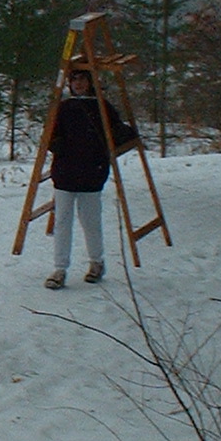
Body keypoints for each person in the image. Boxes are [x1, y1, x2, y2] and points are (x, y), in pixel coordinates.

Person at [45, 61, 136, 289]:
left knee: (90, 221)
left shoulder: (102, 107)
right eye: (74, 80)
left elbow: (118, 132)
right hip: (65, 173)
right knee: (63, 221)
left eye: (83, 79)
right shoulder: (63, 107)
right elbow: (49, 136)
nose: (78, 84)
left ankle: (96, 262)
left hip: (92, 172)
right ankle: (59, 269)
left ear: (90, 82)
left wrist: (121, 137)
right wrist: (57, 145)